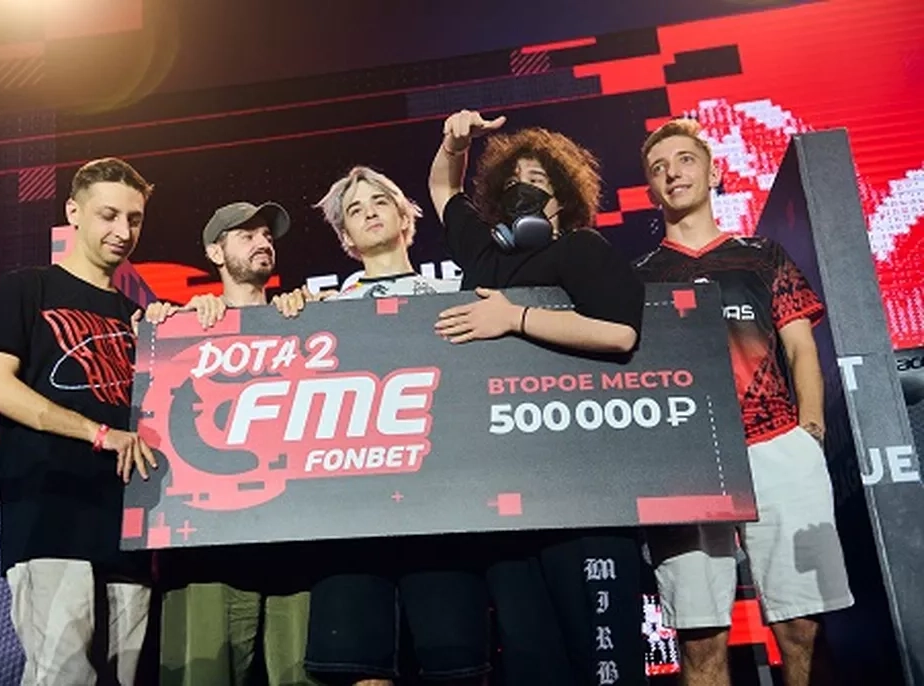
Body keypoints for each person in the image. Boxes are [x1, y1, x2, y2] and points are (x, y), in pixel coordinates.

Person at [427, 109, 648, 685]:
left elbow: (619, 334)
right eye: (514, 180)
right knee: (532, 661)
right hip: (504, 497)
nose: (524, 188)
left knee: (603, 661)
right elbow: (443, 190)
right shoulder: (484, 255)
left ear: (563, 195)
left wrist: (515, 318)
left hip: (585, 490)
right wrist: (455, 143)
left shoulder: (582, 248)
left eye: (539, 180)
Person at [631, 117, 854, 686]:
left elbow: (801, 348)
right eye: (658, 168)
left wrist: (809, 432)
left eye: (685, 160)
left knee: (802, 628)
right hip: (687, 463)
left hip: (776, 445)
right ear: (651, 189)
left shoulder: (762, 255)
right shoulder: (638, 278)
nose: (672, 173)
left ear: (713, 172)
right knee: (700, 639)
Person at [297, 166, 491, 686]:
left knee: (457, 669)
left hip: (443, 507)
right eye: (355, 210)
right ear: (345, 236)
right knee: (364, 671)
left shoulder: (455, 296)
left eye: (379, 201)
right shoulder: (322, 315)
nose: (369, 213)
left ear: (405, 215)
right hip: (353, 513)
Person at [0, 157, 163, 686]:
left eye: (134, 219)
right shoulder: (27, 288)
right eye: (108, 215)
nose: (123, 231)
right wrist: (96, 433)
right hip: (52, 521)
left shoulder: (139, 316)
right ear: (73, 212)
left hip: (129, 532)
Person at [148, 200, 322, 686]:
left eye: (266, 234)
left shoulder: (304, 320)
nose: (263, 242)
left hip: (295, 540)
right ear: (215, 253)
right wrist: (167, 323)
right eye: (246, 235)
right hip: (209, 545)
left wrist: (319, 316)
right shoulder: (183, 327)